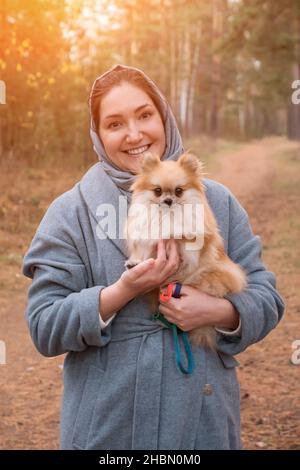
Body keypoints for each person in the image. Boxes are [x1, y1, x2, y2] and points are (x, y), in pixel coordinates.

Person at [22, 64, 284, 450]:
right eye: (114, 124)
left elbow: (266, 299)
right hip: (109, 430)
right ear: (98, 135)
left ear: (164, 117)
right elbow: (44, 326)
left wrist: (219, 312)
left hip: (203, 425)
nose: (134, 134)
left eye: (145, 115)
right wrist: (120, 292)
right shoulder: (71, 212)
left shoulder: (219, 201)